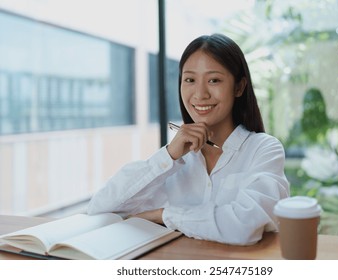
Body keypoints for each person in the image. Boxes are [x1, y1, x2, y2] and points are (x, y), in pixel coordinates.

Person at [87, 33, 289, 245]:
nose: (200, 94)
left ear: (239, 87)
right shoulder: (175, 159)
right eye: (190, 80)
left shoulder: (264, 149)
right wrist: (168, 155)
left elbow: (245, 225)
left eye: (214, 80)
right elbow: (99, 210)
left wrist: (164, 215)